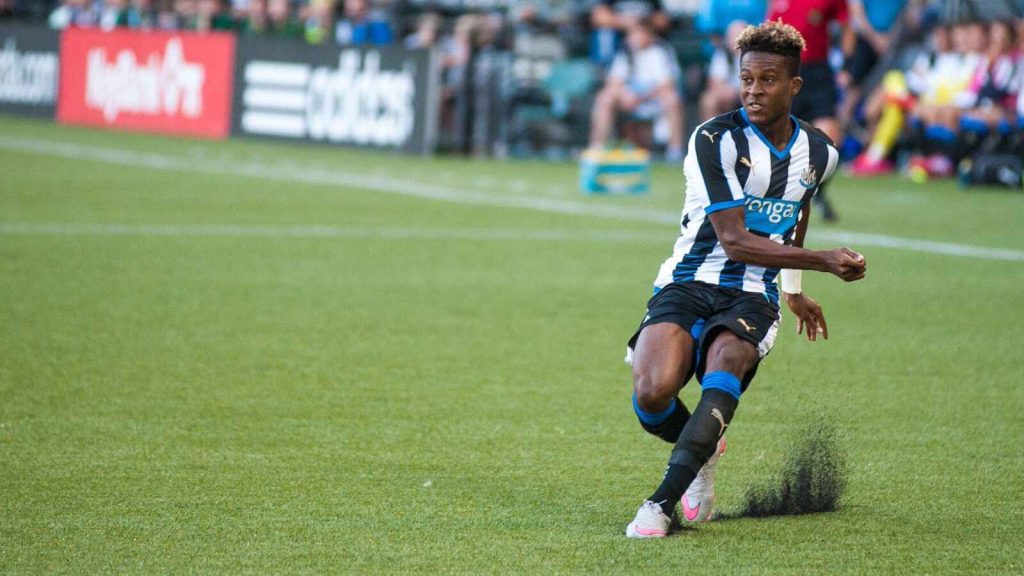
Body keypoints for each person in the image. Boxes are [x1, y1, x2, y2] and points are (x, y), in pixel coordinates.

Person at [623, 20, 867, 539]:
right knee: (651, 393)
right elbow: (732, 239)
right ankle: (703, 444)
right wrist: (822, 260)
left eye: (768, 80)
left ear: (794, 85)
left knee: (727, 363)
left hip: (752, 292)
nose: (754, 91)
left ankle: (660, 504)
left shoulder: (821, 154)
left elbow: (793, 214)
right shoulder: (713, 139)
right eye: (747, 80)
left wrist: (794, 291)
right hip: (689, 279)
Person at [766, 0, 846, 222]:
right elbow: (769, 31)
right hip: (787, 72)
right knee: (779, 139)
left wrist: (847, 67)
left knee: (831, 139)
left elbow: (846, 25)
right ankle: (777, 196)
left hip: (818, 73)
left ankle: (815, 190)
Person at [588, 17, 684, 161]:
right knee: (605, 98)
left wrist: (641, 97)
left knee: (672, 99)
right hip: (629, 99)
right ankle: (597, 148)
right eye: (631, 34)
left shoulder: (661, 50)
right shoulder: (625, 51)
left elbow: (666, 84)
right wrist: (626, 94)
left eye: (638, 33)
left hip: (653, 99)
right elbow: (613, 81)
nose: (633, 38)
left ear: (649, 34)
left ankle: (674, 151)